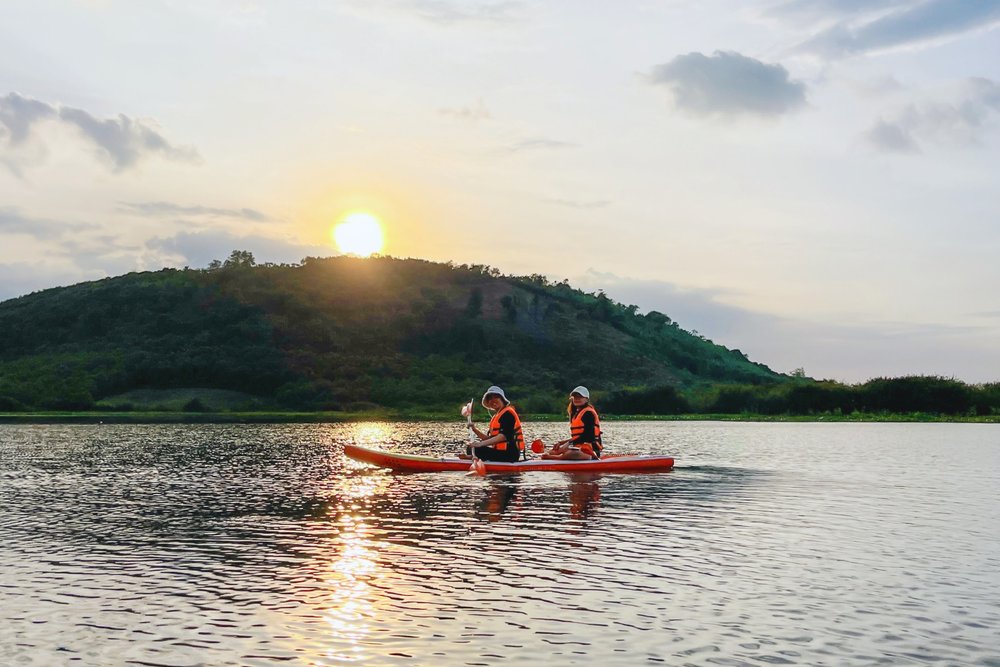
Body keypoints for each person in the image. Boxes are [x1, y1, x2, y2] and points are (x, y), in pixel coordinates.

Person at [460, 385, 525, 462]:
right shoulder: (496, 416)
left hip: (510, 454)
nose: (493, 400)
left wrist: (480, 444)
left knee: (477, 449)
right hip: (500, 452)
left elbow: (503, 437)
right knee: (471, 447)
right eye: (490, 398)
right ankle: (473, 456)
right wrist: (474, 430)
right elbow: (490, 439)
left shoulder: (508, 413)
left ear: (502, 399)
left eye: (496, 397)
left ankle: (473, 457)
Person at [542, 386, 602, 460]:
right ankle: (553, 456)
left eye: (580, 397)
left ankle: (556, 458)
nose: (577, 399)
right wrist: (562, 443)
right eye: (575, 397)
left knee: (572, 453)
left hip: (591, 451)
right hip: (578, 448)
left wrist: (569, 443)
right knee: (553, 451)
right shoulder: (576, 413)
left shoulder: (588, 413)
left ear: (586, 399)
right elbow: (577, 438)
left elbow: (588, 436)